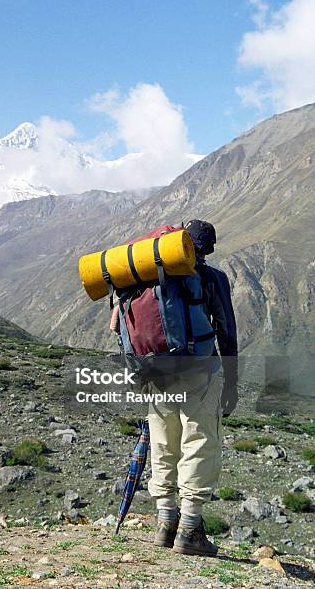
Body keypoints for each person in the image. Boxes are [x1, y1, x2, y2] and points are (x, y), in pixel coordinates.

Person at [149, 219, 238, 557]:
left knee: (164, 442)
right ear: (208, 247)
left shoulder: (149, 276)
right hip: (199, 370)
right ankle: (189, 530)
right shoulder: (212, 277)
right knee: (199, 440)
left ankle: (165, 523)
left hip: (154, 371)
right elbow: (226, 329)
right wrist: (230, 383)